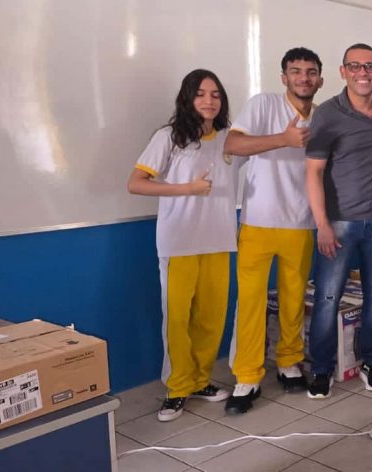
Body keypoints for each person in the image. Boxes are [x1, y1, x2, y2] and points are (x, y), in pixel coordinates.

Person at [127, 69, 240, 421]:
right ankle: (177, 388)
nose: (209, 101)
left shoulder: (229, 139)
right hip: (179, 242)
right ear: (188, 98)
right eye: (201, 94)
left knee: (210, 319)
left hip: (218, 240)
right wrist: (186, 189)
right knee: (177, 319)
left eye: (216, 95)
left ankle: (200, 380)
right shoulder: (169, 137)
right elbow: (136, 183)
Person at [223, 47, 325, 414]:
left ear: (320, 80)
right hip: (258, 221)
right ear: (284, 77)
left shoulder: (324, 116)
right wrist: (284, 139)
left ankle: (289, 362)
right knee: (251, 301)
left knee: (294, 299)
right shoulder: (263, 104)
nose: (303, 78)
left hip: (301, 221)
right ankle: (247, 377)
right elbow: (233, 145)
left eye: (310, 72)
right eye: (296, 71)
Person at [304, 43, 372, 398]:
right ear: (343, 71)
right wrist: (322, 224)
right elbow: (313, 172)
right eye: (355, 66)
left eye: (370, 66)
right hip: (339, 222)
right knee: (327, 296)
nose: (363, 72)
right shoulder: (328, 114)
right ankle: (321, 368)